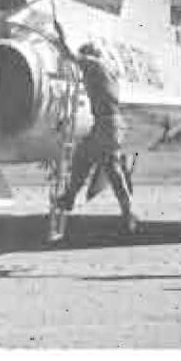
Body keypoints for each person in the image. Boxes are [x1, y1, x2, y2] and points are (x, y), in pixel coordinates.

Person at [57, 41, 137, 233]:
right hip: (109, 124)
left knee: (96, 162)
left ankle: (70, 198)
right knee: (103, 165)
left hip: (107, 124)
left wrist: (59, 37)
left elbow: (70, 55)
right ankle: (71, 197)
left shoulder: (95, 65)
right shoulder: (107, 70)